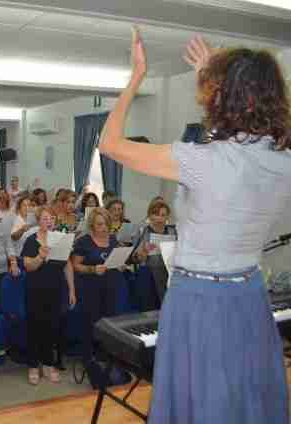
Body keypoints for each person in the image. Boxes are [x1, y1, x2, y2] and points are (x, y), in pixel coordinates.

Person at [98, 28, 291, 423]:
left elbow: (110, 144)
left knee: (197, 406)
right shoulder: (282, 159)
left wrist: (137, 75)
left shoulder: (201, 161)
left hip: (198, 299)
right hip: (250, 295)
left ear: (227, 97)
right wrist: (213, 76)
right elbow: (235, 145)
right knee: (241, 403)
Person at [21, 207, 75, 385]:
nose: (49, 221)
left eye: (52, 218)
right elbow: (28, 266)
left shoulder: (61, 238)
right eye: (45, 218)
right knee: (35, 327)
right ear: (38, 221)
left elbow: (67, 265)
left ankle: (48, 364)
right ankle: (33, 366)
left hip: (56, 288)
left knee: (52, 327)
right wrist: (40, 256)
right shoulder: (31, 240)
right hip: (36, 290)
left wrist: (72, 290)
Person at [70, 209, 121, 383]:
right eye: (100, 224)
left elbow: (114, 260)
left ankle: (104, 357)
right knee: (90, 323)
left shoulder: (113, 239)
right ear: (92, 225)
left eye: (106, 224)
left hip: (110, 286)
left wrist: (119, 264)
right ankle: (88, 358)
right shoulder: (84, 242)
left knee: (108, 323)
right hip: (89, 288)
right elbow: (75, 265)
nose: (104, 228)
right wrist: (92, 269)